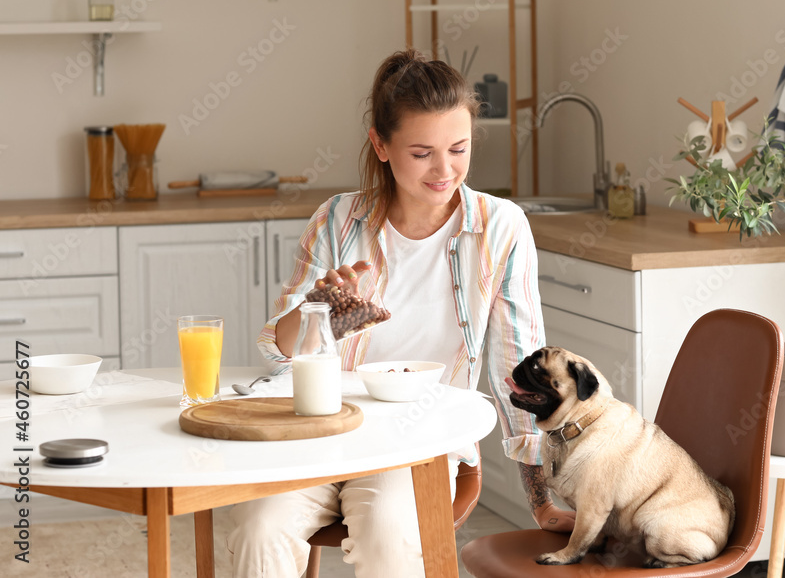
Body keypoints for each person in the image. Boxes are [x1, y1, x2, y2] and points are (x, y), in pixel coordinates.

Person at [227, 48, 574, 577]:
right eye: (422, 153)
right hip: (320, 431)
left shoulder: (500, 227)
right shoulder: (338, 220)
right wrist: (320, 312)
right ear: (381, 145)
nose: (444, 170)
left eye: (458, 148)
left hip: (420, 440)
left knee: (388, 535)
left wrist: (540, 498)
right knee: (257, 531)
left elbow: (519, 368)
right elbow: (280, 352)